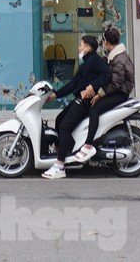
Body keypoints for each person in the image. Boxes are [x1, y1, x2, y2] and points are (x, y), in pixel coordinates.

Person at [42, 35, 110, 179]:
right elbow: (73, 84)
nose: (79, 47)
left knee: (65, 126)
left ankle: (60, 166)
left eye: (81, 44)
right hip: (79, 98)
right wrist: (54, 95)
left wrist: (93, 86)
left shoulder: (96, 61)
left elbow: (106, 75)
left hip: (86, 102)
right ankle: (63, 151)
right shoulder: (85, 64)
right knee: (60, 118)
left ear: (87, 48)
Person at [71, 25, 135, 165]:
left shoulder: (118, 59)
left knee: (95, 109)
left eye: (103, 42)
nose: (102, 45)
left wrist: (99, 94)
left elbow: (116, 82)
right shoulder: (116, 56)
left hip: (120, 94)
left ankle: (88, 145)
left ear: (107, 42)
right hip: (117, 91)